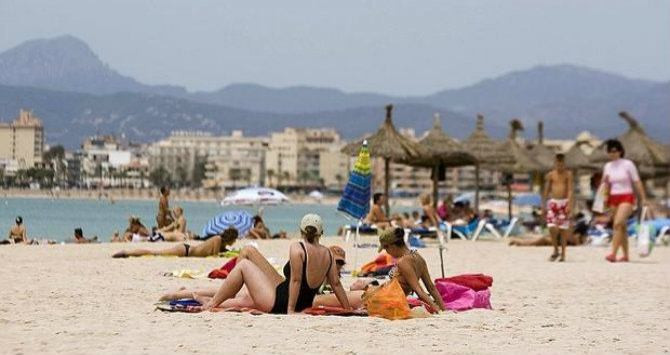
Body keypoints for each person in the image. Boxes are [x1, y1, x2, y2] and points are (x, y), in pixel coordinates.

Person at [196, 214, 351, 314]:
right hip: (298, 301)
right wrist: (347, 308)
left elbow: (296, 281)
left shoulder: (298, 248)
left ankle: (212, 304)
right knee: (249, 250)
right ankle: (223, 296)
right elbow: (336, 284)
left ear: (302, 231)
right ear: (321, 233)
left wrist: (290, 311)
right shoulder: (328, 255)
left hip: (278, 303)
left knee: (243, 267)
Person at [159, 244, 364, 309]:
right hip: (280, 288)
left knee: (244, 297)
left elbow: (344, 297)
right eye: (335, 262)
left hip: (277, 296)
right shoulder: (317, 269)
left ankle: (192, 293)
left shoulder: (333, 285)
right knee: (247, 251)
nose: (337, 267)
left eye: (340, 264)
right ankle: (230, 288)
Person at [375, 228, 445, 311]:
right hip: (390, 298)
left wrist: (437, 310)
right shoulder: (418, 257)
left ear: (392, 246)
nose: (387, 252)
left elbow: (418, 291)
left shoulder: (403, 262)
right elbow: (431, 287)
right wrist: (443, 308)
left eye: (386, 249)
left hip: (387, 300)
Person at [601, 139, 648, 263]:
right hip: (612, 198)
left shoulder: (628, 164)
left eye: (614, 151)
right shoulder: (607, 166)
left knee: (618, 223)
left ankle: (613, 253)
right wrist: (604, 200)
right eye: (609, 151)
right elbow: (605, 184)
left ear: (620, 151)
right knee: (622, 227)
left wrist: (643, 198)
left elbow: (637, 181)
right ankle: (626, 255)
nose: (612, 153)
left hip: (626, 196)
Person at [113, 227, 238, 258]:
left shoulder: (221, 243)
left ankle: (127, 253)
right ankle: (126, 252)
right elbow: (214, 256)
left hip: (187, 251)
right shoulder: (217, 239)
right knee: (155, 253)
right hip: (186, 250)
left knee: (156, 253)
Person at [542, 153, 574, 262]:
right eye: (558, 164)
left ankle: (563, 254)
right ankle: (555, 249)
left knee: (563, 229)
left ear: (564, 163)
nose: (560, 166)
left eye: (561, 164)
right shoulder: (550, 175)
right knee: (551, 227)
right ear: (555, 163)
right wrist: (544, 205)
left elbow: (570, 189)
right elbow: (546, 190)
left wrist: (569, 203)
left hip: (564, 202)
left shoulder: (568, 174)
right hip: (553, 202)